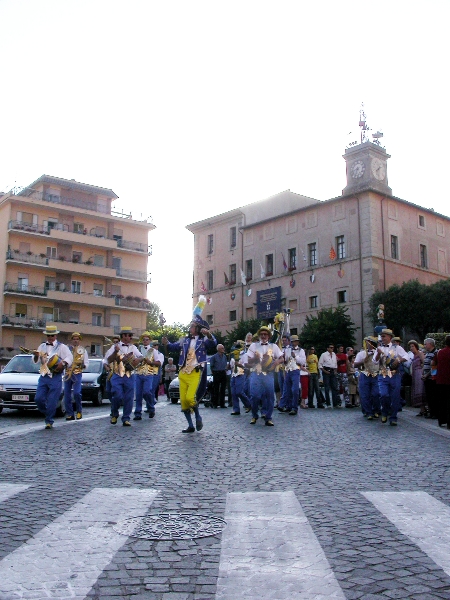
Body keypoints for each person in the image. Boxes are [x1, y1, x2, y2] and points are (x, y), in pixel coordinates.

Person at [162, 296, 216, 433]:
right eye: (191, 325)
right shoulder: (184, 340)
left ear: (197, 328)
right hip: (183, 372)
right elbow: (173, 347)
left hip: (196, 373)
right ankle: (191, 425)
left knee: (190, 398)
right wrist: (166, 343)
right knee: (184, 401)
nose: (190, 327)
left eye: (192, 325)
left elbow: (213, 344)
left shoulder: (203, 341)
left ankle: (198, 417)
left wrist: (209, 334)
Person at [33, 325, 73, 429]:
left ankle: (49, 420)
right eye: (48, 335)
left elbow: (70, 357)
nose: (50, 337)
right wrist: (36, 356)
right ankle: (48, 412)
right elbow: (35, 361)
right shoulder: (42, 346)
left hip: (56, 376)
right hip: (44, 375)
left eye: (52, 335)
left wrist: (63, 363)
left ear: (56, 335)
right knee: (38, 398)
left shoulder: (62, 347)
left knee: (52, 400)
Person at [104, 326, 143, 426]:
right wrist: (115, 352)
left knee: (129, 398)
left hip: (130, 375)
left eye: (130, 335)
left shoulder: (133, 347)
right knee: (117, 395)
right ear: (123, 336)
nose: (130, 337)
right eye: (128, 335)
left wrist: (137, 360)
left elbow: (141, 356)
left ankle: (126, 418)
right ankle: (114, 413)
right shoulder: (114, 347)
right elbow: (108, 360)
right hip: (117, 374)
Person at [246, 326, 284, 426]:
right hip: (256, 373)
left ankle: (268, 417)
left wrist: (276, 363)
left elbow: (282, 358)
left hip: (269, 373)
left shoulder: (273, 346)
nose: (263, 336)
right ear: (259, 336)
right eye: (261, 334)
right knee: (254, 396)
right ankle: (254, 415)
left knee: (270, 396)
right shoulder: (253, 346)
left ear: (269, 336)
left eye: (265, 334)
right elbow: (248, 361)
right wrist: (255, 358)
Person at [373, 328, 408, 426]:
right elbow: (374, 361)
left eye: (384, 336)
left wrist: (399, 360)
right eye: (381, 336)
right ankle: (384, 411)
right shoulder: (379, 348)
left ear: (389, 337)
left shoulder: (397, 348)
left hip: (395, 375)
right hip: (383, 375)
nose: (382, 338)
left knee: (395, 397)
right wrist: (378, 353)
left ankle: (393, 417)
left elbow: (407, 356)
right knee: (384, 394)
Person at [134, 332, 160, 420]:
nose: (145, 341)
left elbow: (158, 363)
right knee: (138, 394)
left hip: (149, 374)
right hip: (138, 374)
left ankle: (151, 407)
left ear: (149, 341)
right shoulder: (138, 349)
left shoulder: (153, 351)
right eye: (144, 339)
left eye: (147, 339)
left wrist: (151, 362)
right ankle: (138, 413)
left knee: (147, 392)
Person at [64, 332, 89, 421]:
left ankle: (79, 411)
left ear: (79, 340)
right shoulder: (67, 349)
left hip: (77, 373)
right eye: (74, 339)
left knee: (77, 393)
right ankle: (70, 413)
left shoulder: (83, 350)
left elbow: (86, 362)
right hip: (67, 373)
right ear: (71, 340)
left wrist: (83, 365)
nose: (75, 341)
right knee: (67, 394)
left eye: (77, 339)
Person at [354, 336, 380, 419]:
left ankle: (376, 410)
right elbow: (355, 364)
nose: (370, 344)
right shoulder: (361, 353)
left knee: (376, 393)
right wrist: (363, 360)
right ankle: (368, 412)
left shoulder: (378, 352)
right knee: (365, 395)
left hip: (375, 374)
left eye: (372, 343)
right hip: (365, 374)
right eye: (368, 343)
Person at [279, 334, 304, 415]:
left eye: (295, 341)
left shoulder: (301, 350)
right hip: (288, 370)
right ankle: (288, 406)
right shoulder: (287, 350)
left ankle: (294, 407)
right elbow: (285, 361)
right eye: (292, 341)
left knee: (295, 390)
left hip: (295, 370)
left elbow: (302, 362)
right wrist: (283, 358)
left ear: (297, 342)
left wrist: (295, 356)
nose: (293, 343)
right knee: (287, 389)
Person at [229, 341, 251, 415]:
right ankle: (236, 409)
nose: (236, 349)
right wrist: (228, 366)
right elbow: (231, 365)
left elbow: (247, 366)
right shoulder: (233, 355)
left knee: (239, 392)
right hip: (233, 374)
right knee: (233, 393)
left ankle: (249, 404)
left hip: (241, 374)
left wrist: (239, 364)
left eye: (237, 348)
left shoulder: (244, 355)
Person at [407, 340, 426, 416]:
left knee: (421, 390)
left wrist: (422, 370)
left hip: (419, 373)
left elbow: (424, 362)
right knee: (417, 391)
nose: (411, 348)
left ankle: (425, 409)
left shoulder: (420, 353)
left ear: (416, 347)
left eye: (413, 346)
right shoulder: (413, 356)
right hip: (415, 374)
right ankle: (422, 409)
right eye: (410, 347)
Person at [435, 335, 450, 428]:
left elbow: (434, 363)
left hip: (440, 379)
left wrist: (435, 375)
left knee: (442, 400)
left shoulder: (440, 352)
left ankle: (441, 419)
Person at [422, 337, 438, 420]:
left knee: (433, 396)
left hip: (432, 378)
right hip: (426, 378)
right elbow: (425, 365)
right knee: (428, 396)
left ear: (430, 344)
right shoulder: (428, 353)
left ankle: (435, 412)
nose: (424, 346)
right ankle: (431, 412)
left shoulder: (436, 353)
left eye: (425, 344)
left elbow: (434, 367)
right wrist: (423, 374)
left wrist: (427, 375)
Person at [210, 344, 228, 408]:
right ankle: (215, 403)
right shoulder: (214, 357)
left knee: (223, 389)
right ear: (218, 349)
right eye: (222, 348)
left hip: (223, 372)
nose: (223, 349)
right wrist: (214, 373)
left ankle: (222, 404)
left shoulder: (224, 356)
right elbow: (211, 366)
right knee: (216, 389)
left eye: (223, 348)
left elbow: (225, 365)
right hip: (216, 373)